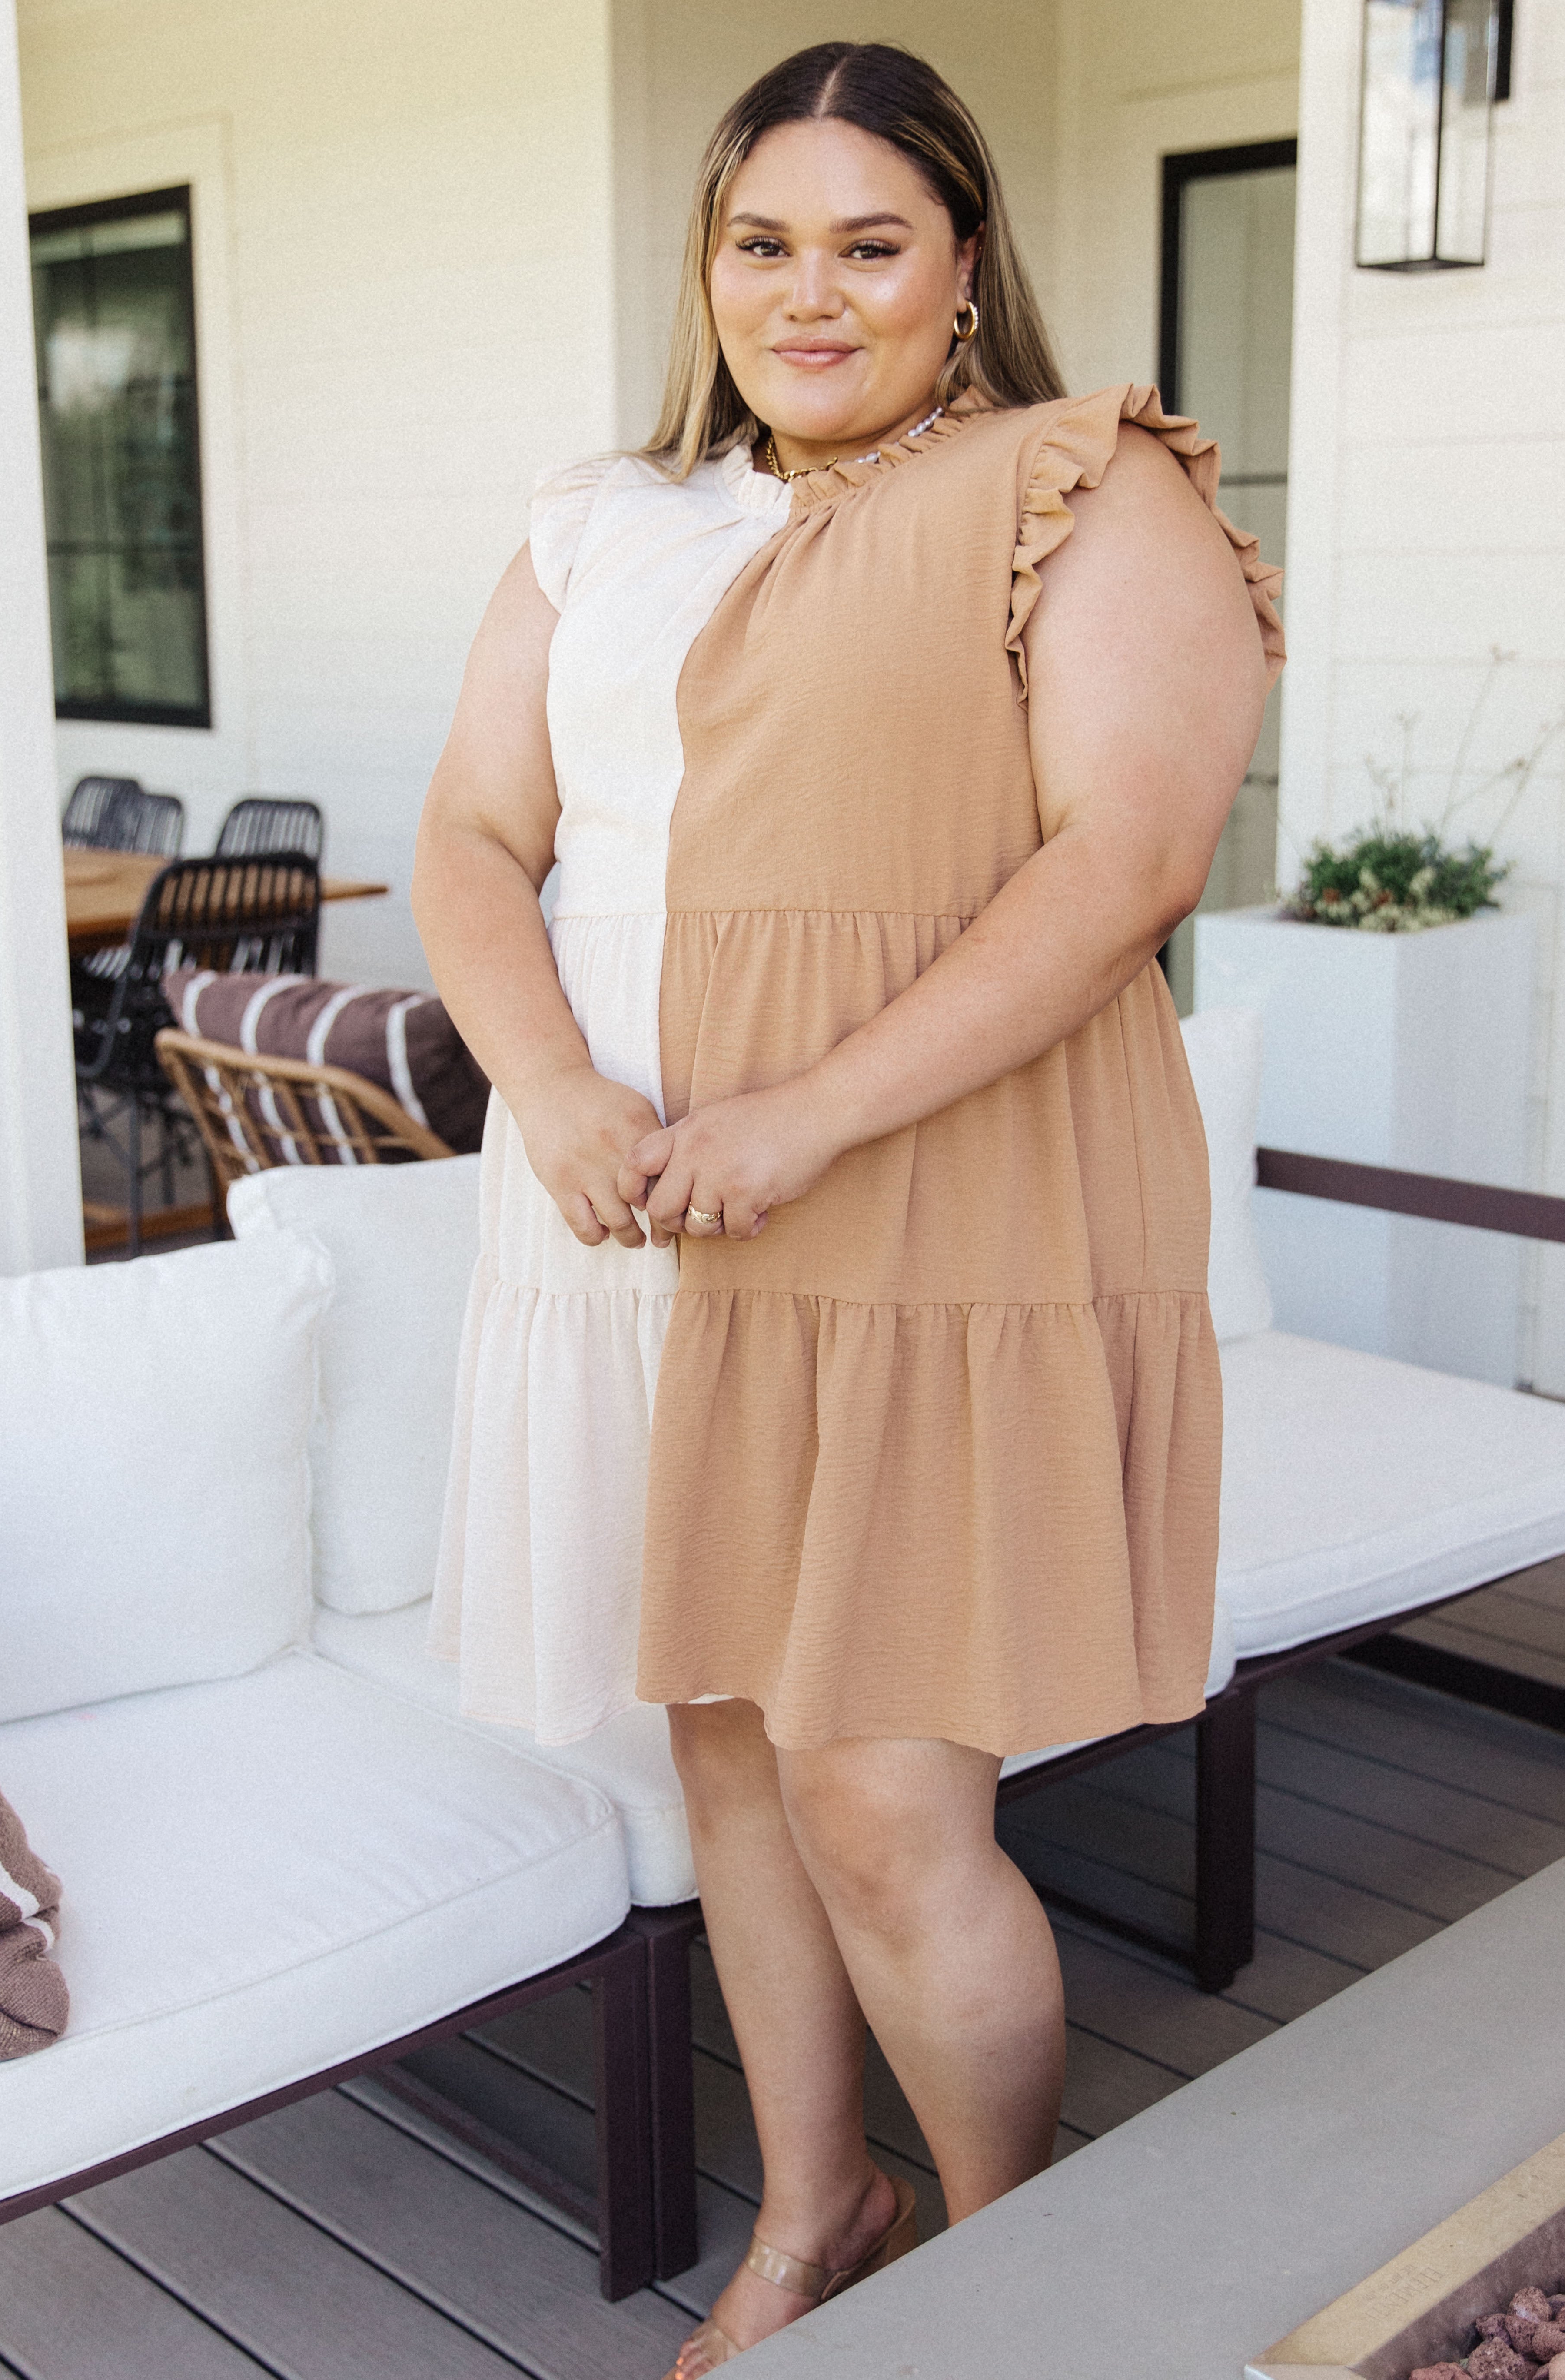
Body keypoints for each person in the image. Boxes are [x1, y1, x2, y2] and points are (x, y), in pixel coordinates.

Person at [412, 39, 1283, 2373]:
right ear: (706, 267)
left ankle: (1021, 2292)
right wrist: (560, 1085)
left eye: (870, 242)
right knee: (721, 1731)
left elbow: (1132, 854)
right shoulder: (602, 514)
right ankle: (819, 2211)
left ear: (964, 260)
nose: (812, 292)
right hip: (623, 1210)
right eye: (762, 242)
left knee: (881, 1796)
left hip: (919, 1209)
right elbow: (469, 842)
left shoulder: (1075, 482)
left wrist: (800, 1117)